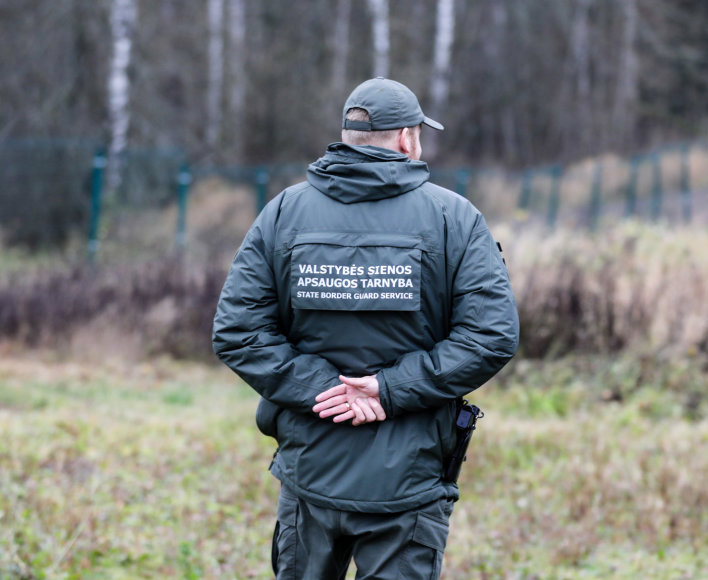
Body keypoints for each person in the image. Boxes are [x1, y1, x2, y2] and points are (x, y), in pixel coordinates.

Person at [212, 77, 519, 579]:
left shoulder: (284, 213)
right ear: (406, 139)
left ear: (348, 136)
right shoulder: (454, 218)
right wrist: (387, 389)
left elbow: (238, 332)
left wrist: (322, 388)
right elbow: (490, 336)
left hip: (310, 467)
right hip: (409, 477)